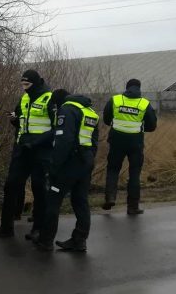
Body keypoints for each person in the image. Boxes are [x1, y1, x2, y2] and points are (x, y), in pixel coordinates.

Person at [0, 70, 57, 241]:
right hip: (22, 149)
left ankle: (38, 228)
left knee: (39, 188)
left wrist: (36, 142)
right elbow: (22, 120)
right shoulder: (24, 98)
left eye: (27, 85)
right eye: (22, 85)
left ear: (36, 83)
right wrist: (15, 120)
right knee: (11, 185)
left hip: (42, 151)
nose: (24, 88)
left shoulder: (50, 99)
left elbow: (56, 129)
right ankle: (6, 227)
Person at [36, 93, 100, 253]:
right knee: (80, 201)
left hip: (70, 162)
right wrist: (89, 158)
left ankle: (45, 240)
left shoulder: (67, 110)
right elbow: (94, 140)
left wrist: (54, 166)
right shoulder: (90, 111)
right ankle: (79, 241)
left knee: (53, 199)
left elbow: (64, 140)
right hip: (86, 161)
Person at [102, 78, 158, 215]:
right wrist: (140, 127)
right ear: (139, 88)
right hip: (135, 142)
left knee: (113, 170)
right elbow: (152, 125)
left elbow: (106, 119)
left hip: (116, 140)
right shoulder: (144, 103)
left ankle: (110, 197)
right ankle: (132, 207)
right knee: (134, 174)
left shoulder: (115, 100)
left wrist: (117, 125)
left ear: (127, 87)